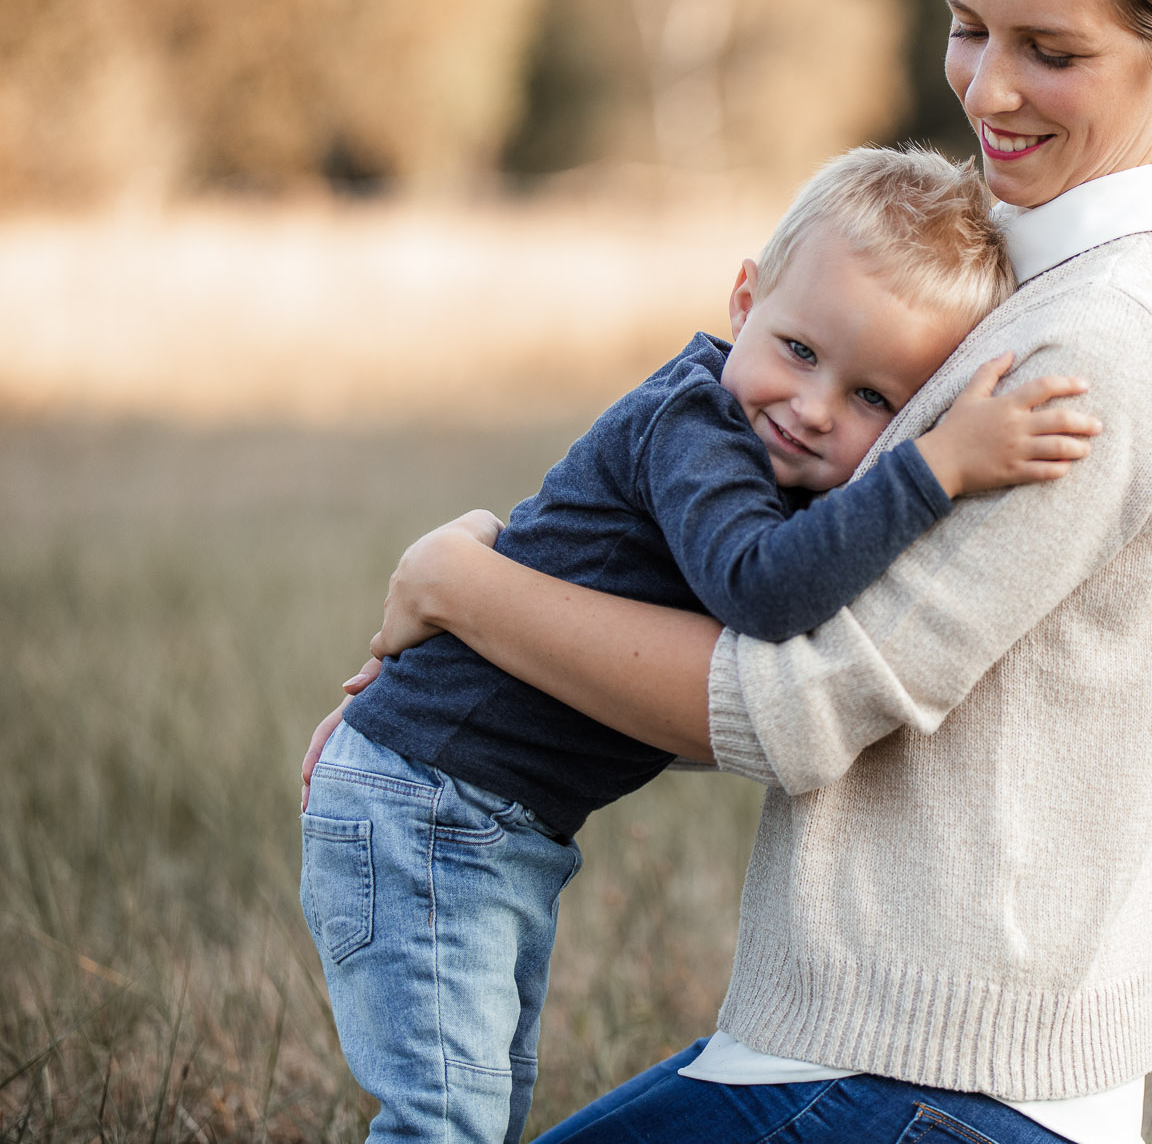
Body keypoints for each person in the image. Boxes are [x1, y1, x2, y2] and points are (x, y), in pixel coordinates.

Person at [307, 0, 1152, 1144]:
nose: (988, 88)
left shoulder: (1094, 341)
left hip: (930, 1077)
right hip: (881, 1040)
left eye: (1049, 49)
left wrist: (460, 586)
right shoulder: (1036, 267)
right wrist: (442, 698)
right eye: (968, 26)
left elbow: (796, 701)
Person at [299, 145, 1102, 1144]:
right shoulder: (696, 424)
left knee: (476, 1106)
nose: (811, 410)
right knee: (442, 1116)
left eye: (872, 402)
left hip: (478, 815)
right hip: (432, 805)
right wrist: (933, 467)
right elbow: (762, 590)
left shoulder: (776, 457)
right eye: (800, 352)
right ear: (743, 299)